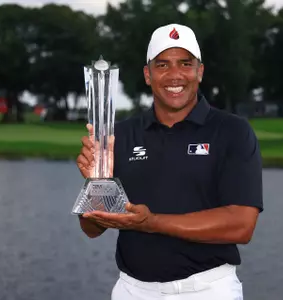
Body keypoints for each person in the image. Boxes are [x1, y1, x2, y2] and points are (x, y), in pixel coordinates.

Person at [76, 23, 263, 300]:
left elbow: (241, 225)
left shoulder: (232, 131)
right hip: (131, 290)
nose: (175, 75)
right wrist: (97, 182)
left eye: (185, 64)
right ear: (147, 74)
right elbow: (91, 228)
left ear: (199, 71)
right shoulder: (122, 134)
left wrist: (151, 222)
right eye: (162, 65)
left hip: (206, 290)